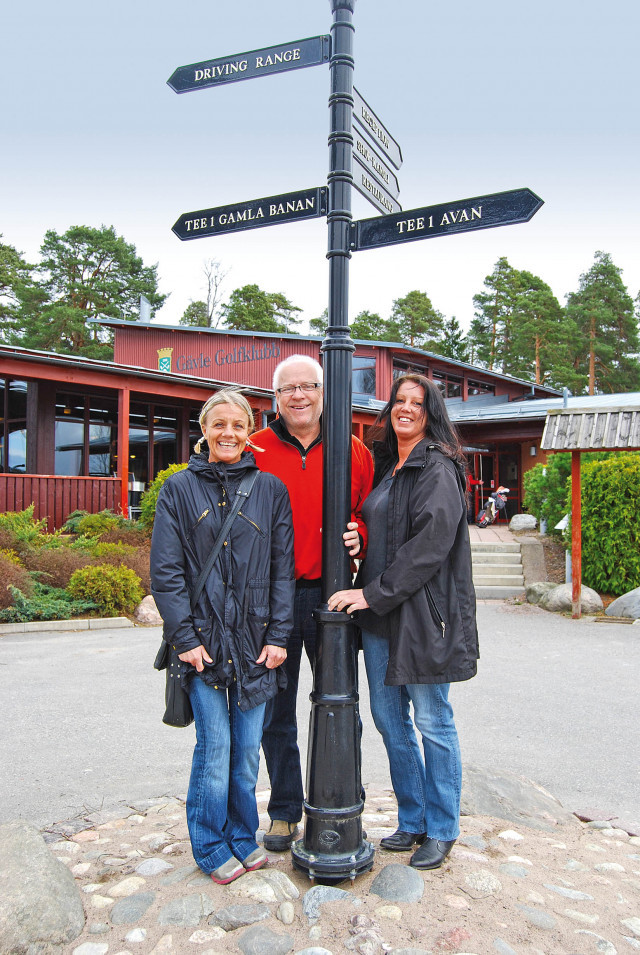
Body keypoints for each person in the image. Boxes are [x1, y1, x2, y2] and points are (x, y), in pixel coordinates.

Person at [328, 374, 478, 870]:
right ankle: (412, 818)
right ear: (390, 409)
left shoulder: (438, 466)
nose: (406, 409)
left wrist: (371, 593)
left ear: (431, 413)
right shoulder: (391, 467)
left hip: (421, 618)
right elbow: (388, 535)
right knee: (391, 722)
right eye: (400, 401)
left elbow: (428, 548)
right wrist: (360, 538)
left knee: (433, 722)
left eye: (417, 403)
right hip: (380, 620)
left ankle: (442, 828)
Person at [150, 389, 295, 884]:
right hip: (204, 643)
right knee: (215, 749)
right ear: (204, 430)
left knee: (248, 749)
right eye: (219, 425)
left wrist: (280, 634)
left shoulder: (271, 490)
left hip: (257, 643)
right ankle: (210, 844)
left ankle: (241, 835)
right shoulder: (177, 490)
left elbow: (283, 571)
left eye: (237, 425)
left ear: (249, 430)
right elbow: (167, 573)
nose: (228, 433)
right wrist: (184, 638)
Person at [252, 354, 374, 851]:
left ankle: (344, 795)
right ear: (275, 398)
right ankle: (283, 809)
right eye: (288, 389)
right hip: (272, 602)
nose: (298, 396)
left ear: (324, 392)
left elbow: (369, 514)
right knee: (274, 710)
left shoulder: (353, 451)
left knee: (341, 703)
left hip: (333, 597)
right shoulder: (255, 448)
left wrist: (360, 535)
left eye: (307, 387)